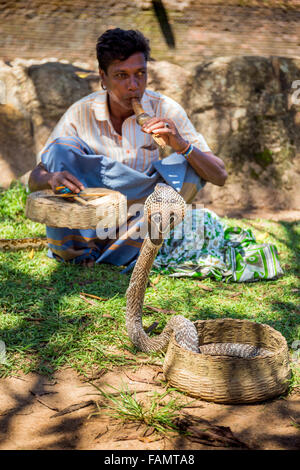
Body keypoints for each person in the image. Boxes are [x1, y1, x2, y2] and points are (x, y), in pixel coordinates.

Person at [28, 28, 227, 267]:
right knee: (60, 150)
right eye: (121, 76)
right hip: (91, 218)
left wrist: (181, 144)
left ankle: (121, 254)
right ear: (103, 77)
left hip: (136, 221)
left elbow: (220, 175)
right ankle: (77, 251)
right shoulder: (80, 113)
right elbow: (34, 179)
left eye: (140, 74)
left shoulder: (164, 108)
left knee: (191, 164)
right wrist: (52, 178)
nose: (133, 86)